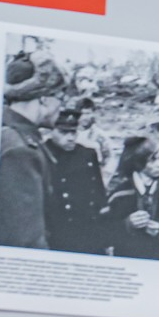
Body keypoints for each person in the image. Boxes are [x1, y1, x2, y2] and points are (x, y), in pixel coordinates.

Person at [0, 77, 56, 250]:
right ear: (44, 99)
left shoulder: (7, 132)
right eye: (60, 98)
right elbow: (25, 236)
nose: (62, 107)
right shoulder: (20, 150)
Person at [42, 107, 108, 254]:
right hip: (57, 231)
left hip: (88, 228)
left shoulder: (87, 154)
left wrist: (103, 234)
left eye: (73, 132)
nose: (70, 137)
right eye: (63, 132)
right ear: (51, 131)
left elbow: (99, 194)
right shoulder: (42, 154)